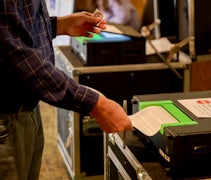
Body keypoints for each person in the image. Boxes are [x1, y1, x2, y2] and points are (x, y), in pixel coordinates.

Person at [0, 0, 132, 179]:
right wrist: (97, 105)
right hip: (7, 118)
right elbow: (17, 57)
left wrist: (59, 25)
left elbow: (18, 26)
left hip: (27, 108)